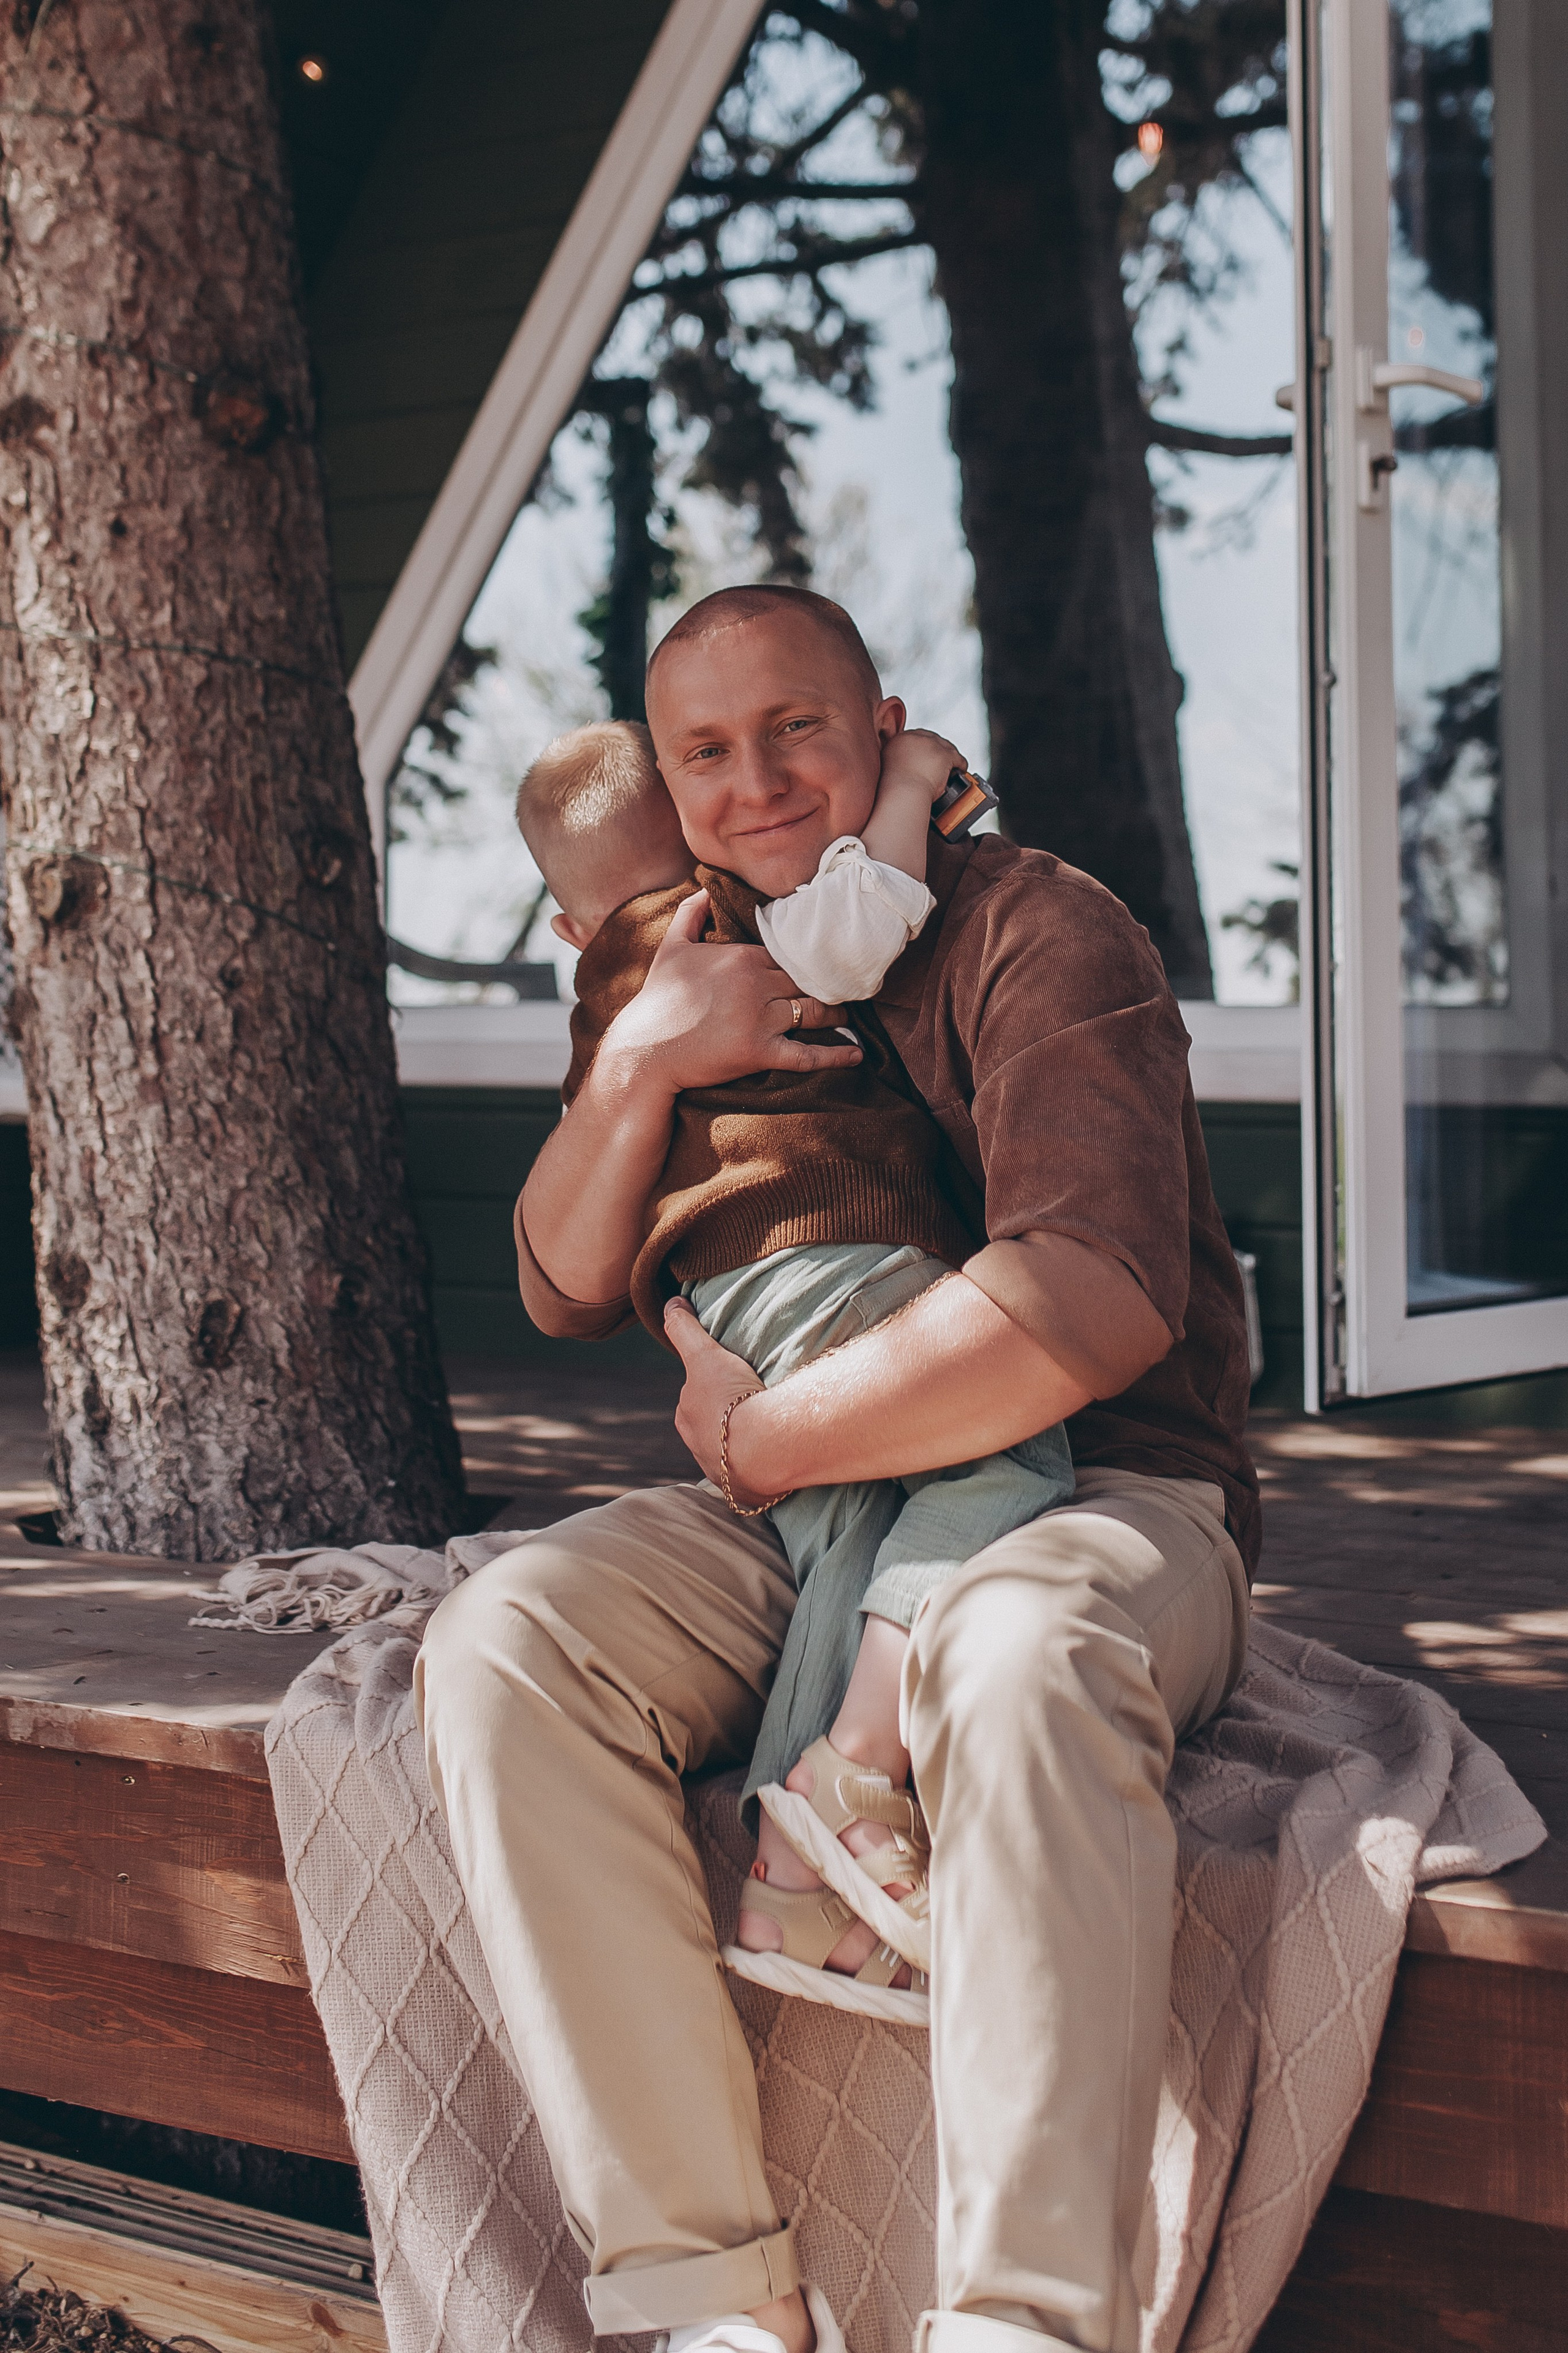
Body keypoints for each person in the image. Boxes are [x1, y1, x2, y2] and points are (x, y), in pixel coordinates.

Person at [415, 584, 1256, 2353]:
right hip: (790, 1512)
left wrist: (765, 1428)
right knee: (506, 1635)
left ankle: (1028, 2321)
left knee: (1015, 1652)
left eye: (796, 728)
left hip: (1107, 1489)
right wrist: (643, 1058)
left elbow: (1088, 1307)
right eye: (706, 752)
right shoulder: (694, 951)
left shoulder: (1041, 925)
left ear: (884, 723)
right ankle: (711, 2295)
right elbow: (561, 1278)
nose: (758, 780)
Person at [511, 716, 1075, 2011]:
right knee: (1007, 1449)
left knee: (846, 1536)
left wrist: (686, 1336)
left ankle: (794, 1871)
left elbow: (587, 1235)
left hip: (733, 1297)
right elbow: (857, 922)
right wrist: (920, 786)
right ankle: (857, 1768)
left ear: (560, 925)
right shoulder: (713, 930)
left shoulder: (602, 998)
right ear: (700, 838)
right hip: (828, 1248)